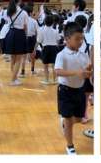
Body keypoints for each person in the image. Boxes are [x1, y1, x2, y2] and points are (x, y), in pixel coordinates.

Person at [55, 22, 92, 154]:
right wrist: (77, 73)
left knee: (78, 119)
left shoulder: (83, 55)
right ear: (67, 39)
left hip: (80, 90)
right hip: (65, 91)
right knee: (68, 119)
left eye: (82, 38)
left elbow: (86, 69)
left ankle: (65, 122)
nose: (80, 41)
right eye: (77, 39)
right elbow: (58, 71)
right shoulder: (61, 55)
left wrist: (88, 71)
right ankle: (70, 146)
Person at [4, 0, 28, 86]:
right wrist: (26, 36)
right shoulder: (24, 13)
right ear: (20, 0)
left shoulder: (8, 11)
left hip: (10, 33)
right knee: (18, 59)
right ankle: (13, 80)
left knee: (13, 58)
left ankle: (14, 78)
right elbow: (25, 27)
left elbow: (7, 22)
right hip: (19, 34)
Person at [37, 15, 60, 84]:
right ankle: (55, 80)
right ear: (52, 22)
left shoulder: (41, 30)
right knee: (54, 65)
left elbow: (39, 41)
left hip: (45, 48)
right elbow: (58, 41)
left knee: (45, 65)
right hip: (54, 48)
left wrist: (34, 49)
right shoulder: (55, 31)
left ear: (44, 21)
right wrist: (56, 46)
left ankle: (46, 80)